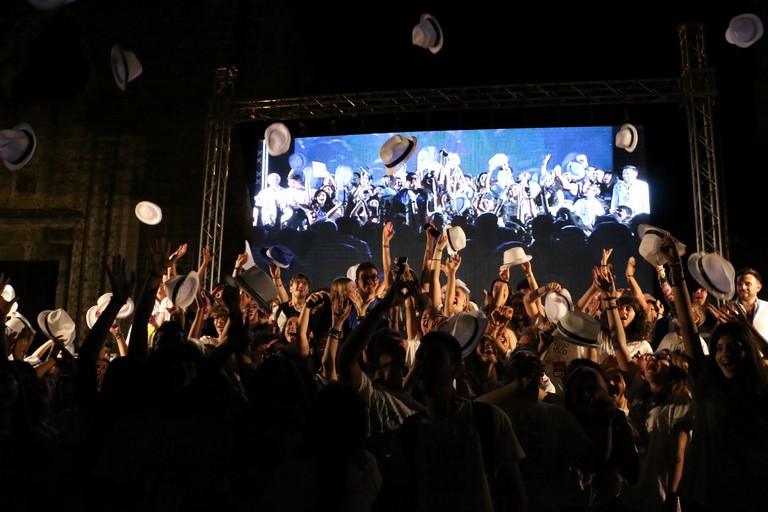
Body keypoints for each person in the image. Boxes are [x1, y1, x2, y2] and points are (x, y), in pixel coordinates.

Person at [659, 234, 768, 512]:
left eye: (734, 347)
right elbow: (686, 324)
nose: (725, 354)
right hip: (704, 495)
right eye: (719, 348)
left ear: (748, 352)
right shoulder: (708, 383)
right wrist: (675, 268)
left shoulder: (760, 390)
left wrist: (748, 329)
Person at [377, 330, 528, 512]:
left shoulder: (488, 419)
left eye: (435, 358)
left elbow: (514, 493)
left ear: (457, 368)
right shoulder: (408, 433)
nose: (424, 366)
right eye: (420, 358)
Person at [727, 267, 768, 341]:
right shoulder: (727, 309)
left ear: (758, 287)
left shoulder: (767, 308)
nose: (743, 287)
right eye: (739, 284)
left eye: (748, 284)